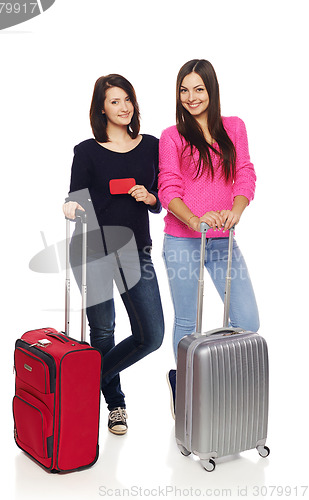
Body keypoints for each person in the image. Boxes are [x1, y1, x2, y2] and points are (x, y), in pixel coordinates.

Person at [63, 74, 164, 435]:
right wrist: (70, 206)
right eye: (114, 102)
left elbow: (162, 195)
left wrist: (150, 198)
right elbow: (75, 196)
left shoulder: (151, 145)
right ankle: (116, 404)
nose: (123, 107)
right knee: (103, 331)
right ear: (101, 109)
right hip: (92, 250)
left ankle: (79, 384)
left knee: (151, 336)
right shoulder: (86, 150)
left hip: (137, 250)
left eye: (127, 100)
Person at [158, 59, 259, 419]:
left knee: (246, 319)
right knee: (187, 323)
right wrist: (196, 220)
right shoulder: (173, 136)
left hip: (222, 242)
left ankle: (217, 381)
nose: (191, 97)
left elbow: (245, 174)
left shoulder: (234, 127)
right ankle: (184, 386)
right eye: (184, 90)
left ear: (211, 90)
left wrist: (236, 210)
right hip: (183, 240)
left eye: (198, 89)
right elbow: (168, 187)